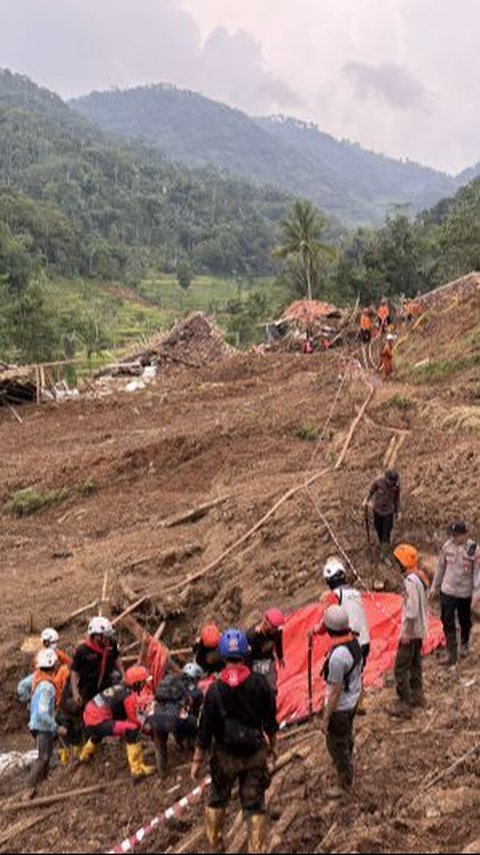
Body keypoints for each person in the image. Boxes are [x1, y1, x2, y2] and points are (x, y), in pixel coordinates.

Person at [191, 629, 278, 854]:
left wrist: (197, 760)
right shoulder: (260, 684)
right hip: (254, 753)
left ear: (222, 655)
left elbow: (205, 727)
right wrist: (273, 747)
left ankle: (215, 845)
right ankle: (256, 848)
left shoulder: (214, 689)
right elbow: (270, 720)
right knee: (254, 804)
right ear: (245, 652)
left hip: (225, 755)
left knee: (217, 799)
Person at [58, 616, 121, 759]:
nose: (107, 640)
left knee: (100, 713)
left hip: (102, 687)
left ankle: (94, 744)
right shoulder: (82, 651)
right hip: (85, 688)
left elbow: (116, 659)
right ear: (95, 636)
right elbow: (74, 672)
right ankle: (82, 750)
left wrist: (124, 675)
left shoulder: (111, 645)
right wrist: (75, 693)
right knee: (83, 717)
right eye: (103, 637)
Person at [312, 559, 370, 705]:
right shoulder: (355, 593)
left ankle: (341, 706)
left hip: (348, 642)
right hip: (364, 639)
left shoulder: (334, 596)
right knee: (358, 671)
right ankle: (360, 702)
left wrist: (316, 630)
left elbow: (328, 618)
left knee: (341, 677)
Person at [81, 665, 155, 778]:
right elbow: (133, 719)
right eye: (143, 682)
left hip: (89, 718)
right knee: (133, 730)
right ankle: (137, 768)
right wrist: (145, 728)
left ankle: (85, 754)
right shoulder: (128, 695)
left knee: (100, 731)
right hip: (98, 721)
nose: (145, 685)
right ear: (137, 683)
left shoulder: (119, 689)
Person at [320, 605, 362, 798]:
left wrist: (326, 717)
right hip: (353, 699)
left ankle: (345, 781)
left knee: (335, 744)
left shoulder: (338, 657)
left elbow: (335, 691)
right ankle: (348, 754)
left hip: (341, 706)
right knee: (346, 734)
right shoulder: (354, 641)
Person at [430, 522, 480, 666]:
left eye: (457, 535)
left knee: (465, 621)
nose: (454, 538)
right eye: (453, 535)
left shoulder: (473, 550)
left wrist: (476, 594)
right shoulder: (447, 546)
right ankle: (451, 651)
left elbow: (477, 573)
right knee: (447, 619)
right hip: (448, 590)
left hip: (464, 592)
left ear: (465, 535)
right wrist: (435, 586)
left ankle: (464, 643)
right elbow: (440, 567)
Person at [389, 544, 430, 719]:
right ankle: (417, 694)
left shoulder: (409, 582)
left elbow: (411, 610)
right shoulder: (419, 579)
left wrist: (405, 632)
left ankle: (405, 702)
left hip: (411, 632)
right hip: (420, 630)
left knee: (400, 667)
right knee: (415, 663)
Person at [148, 663, 205, 778]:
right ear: (196, 678)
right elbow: (197, 712)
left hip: (154, 717)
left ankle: (162, 772)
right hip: (174, 718)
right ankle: (198, 752)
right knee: (199, 725)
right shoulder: (196, 691)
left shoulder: (169, 684)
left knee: (160, 742)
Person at [27, 648, 63, 794]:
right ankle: (29, 787)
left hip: (38, 725)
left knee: (46, 756)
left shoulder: (39, 680)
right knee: (43, 757)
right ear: (53, 666)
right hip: (43, 726)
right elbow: (43, 712)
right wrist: (55, 727)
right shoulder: (47, 687)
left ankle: (41, 784)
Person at [363, 469, 401, 562]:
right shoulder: (378, 481)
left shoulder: (396, 486)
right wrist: (366, 500)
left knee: (386, 533)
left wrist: (398, 511)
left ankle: (384, 555)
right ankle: (382, 545)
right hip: (377, 510)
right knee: (378, 528)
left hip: (388, 512)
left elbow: (397, 499)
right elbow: (371, 491)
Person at [247, 608, 285, 693]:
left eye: (277, 628)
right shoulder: (252, 636)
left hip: (268, 660)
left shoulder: (277, 633)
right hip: (255, 663)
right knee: (257, 689)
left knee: (271, 688)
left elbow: (279, 642)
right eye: (274, 628)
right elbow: (247, 657)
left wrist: (280, 656)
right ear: (266, 624)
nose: (276, 631)